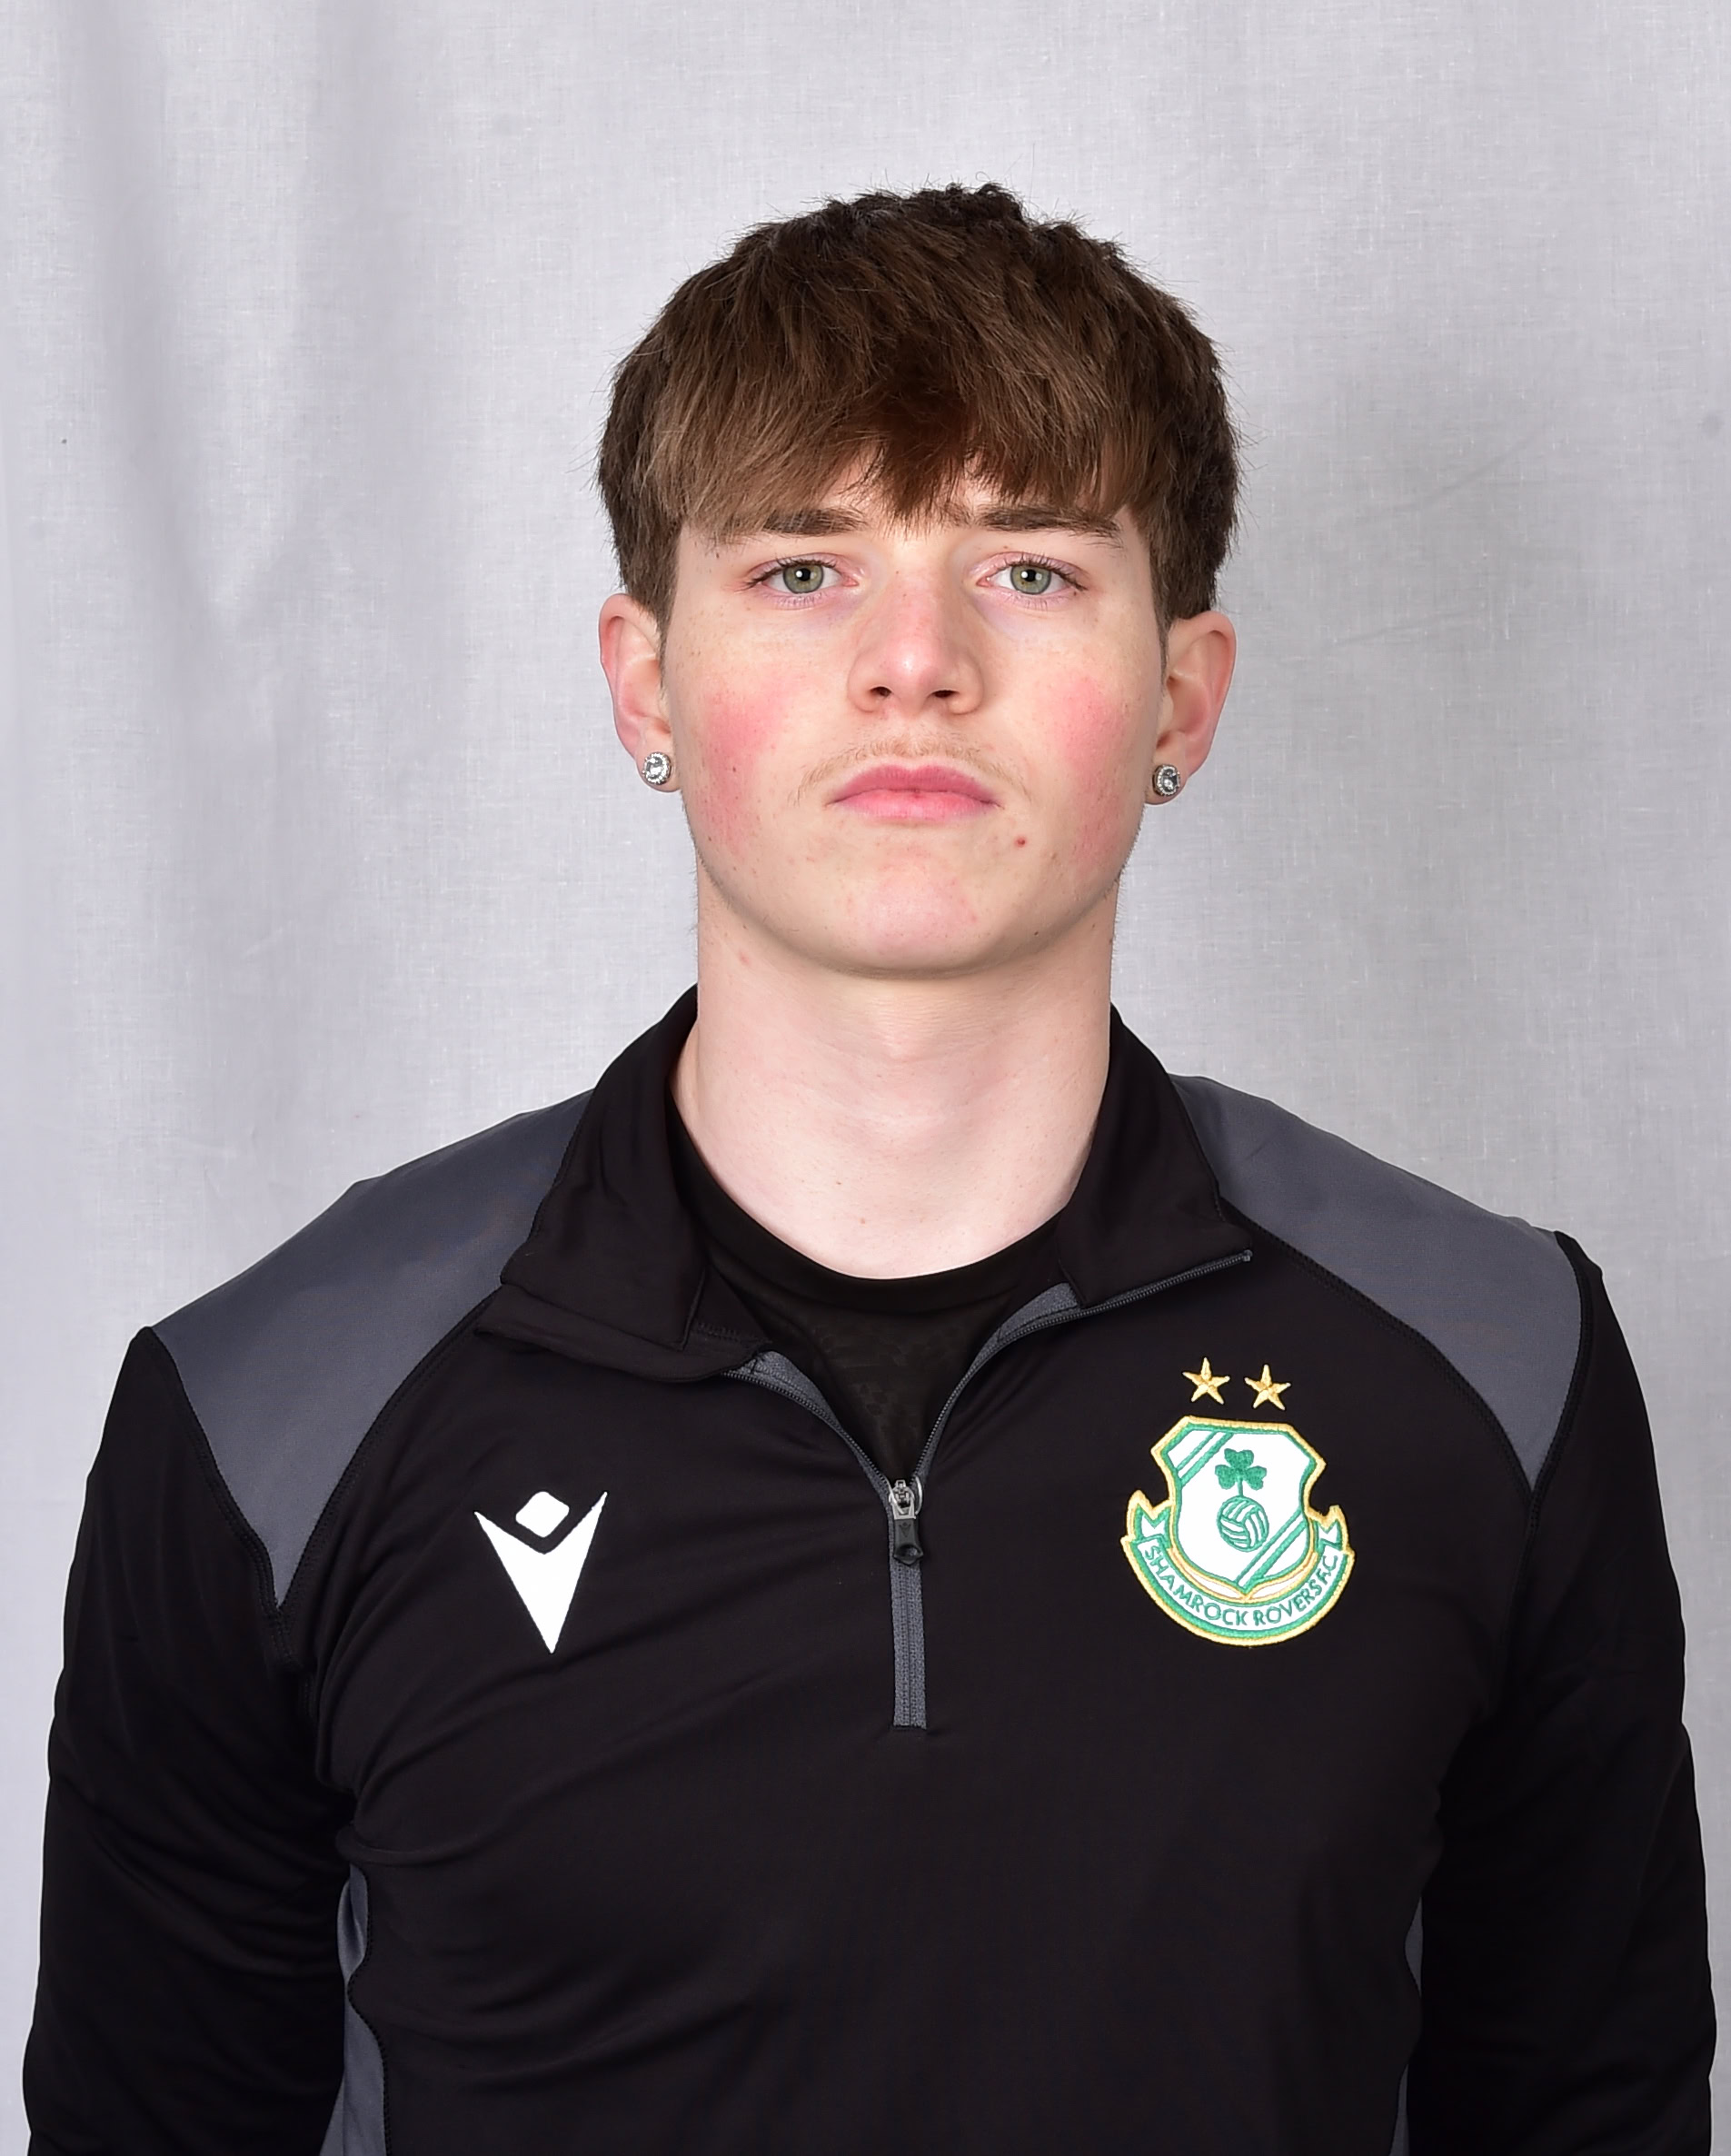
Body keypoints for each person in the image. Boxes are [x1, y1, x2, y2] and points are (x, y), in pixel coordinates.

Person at [25, 184, 1711, 2156]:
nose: (915, 665)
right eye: (804, 569)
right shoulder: (266, 1413)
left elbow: (1585, 2111)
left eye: (1026, 569)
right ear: (646, 680)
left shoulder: (1493, 1369)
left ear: (1179, 692)